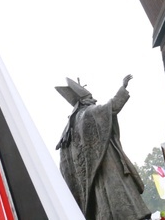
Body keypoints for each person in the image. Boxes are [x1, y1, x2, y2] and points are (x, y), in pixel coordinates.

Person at [56, 74, 151, 220]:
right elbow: (112, 107)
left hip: (92, 181)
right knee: (124, 203)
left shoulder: (68, 130)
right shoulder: (88, 113)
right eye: (90, 97)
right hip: (107, 166)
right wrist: (123, 87)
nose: (94, 100)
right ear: (82, 100)